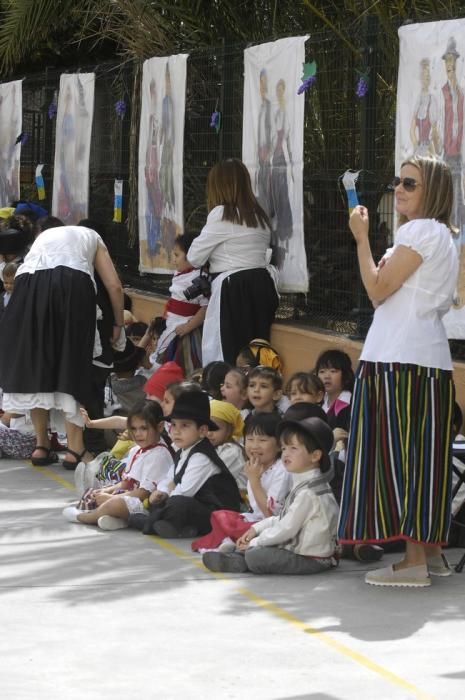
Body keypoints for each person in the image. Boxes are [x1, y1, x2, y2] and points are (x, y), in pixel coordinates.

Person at [338, 155, 458, 587]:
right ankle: (429, 553)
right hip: (420, 361)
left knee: (402, 459)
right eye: (398, 180)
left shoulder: (421, 231)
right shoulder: (441, 235)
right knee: (421, 459)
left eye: (411, 182)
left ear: (434, 192)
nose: (400, 188)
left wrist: (361, 238)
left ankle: (412, 563)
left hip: (400, 361)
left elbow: (376, 289)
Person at [0, 223, 124, 469]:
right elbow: (114, 286)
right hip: (72, 282)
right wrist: (119, 323)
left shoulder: (44, 236)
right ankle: (75, 450)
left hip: (27, 285)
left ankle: (41, 446)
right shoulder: (94, 235)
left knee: (37, 364)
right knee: (72, 363)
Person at [202, 416, 339, 575]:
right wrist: (255, 529)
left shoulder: (308, 492)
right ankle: (238, 555)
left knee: (257, 555)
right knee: (257, 543)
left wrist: (256, 541)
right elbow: (284, 517)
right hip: (302, 550)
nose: (286, 454)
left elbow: (286, 529)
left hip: (311, 559)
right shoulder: (307, 482)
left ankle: (239, 559)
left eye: (293, 448)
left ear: (315, 456)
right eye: (285, 447)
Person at [187, 158, 279, 365]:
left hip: (233, 289)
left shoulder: (221, 214)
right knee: (256, 352)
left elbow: (194, 257)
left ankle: (225, 395)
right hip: (262, 285)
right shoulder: (259, 216)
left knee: (227, 353)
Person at [132, 391, 242, 538]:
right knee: (162, 499)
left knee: (178, 503)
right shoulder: (183, 451)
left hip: (219, 514)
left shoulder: (202, 456)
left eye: (184, 425)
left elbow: (185, 491)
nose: (176, 431)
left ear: (202, 430)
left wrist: (166, 498)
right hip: (196, 507)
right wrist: (162, 492)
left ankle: (149, 522)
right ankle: (182, 528)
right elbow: (170, 478)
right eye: (174, 425)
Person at [62, 400, 173, 529]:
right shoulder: (136, 449)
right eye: (133, 429)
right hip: (131, 496)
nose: (137, 434)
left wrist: (109, 498)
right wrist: (106, 491)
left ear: (159, 427)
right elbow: (127, 482)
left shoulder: (159, 455)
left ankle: (85, 517)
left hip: (147, 505)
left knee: (114, 504)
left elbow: (143, 494)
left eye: (143, 428)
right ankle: (116, 519)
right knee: (94, 492)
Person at [192, 412, 291, 552]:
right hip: (256, 519)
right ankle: (231, 543)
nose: (255, 446)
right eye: (250, 439)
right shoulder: (254, 465)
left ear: (279, 445)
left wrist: (254, 480)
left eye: (262, 440)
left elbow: (272, 515)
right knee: (221, 516)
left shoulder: (282, 470)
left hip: (273, 524)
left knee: (238, 528)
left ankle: (235, 544)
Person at [152, 234, 208, 374]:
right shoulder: (180, 273)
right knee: (162, 349)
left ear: (191, 255)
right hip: (172, 320)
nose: (174, 259)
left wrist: (188, 326)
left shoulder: (199, 278)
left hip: (184, 324)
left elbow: (205, 307)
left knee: (167, 353)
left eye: (177, 255)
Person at [207, 399, 246, 490]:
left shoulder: (232, 451)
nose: (209, 433)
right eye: (206, 427)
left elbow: (207, 476)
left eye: (215, 428)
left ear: (229, 431)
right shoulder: (211, 446)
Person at [315, 349, 354, 434]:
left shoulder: (347, 403)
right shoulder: (319, 398)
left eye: (333, 371)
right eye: (322, 371)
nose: (326, 376)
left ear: (346, 375)